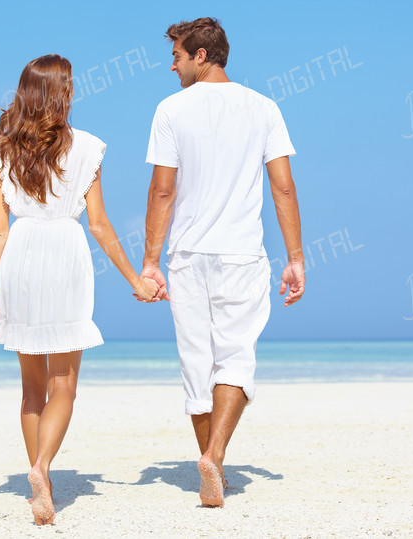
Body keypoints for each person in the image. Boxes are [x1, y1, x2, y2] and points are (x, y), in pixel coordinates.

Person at [0, 54, 159, 525]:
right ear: (62, 93)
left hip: (20, 256)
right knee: (65, 386)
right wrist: (136, 280)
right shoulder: (89, 148)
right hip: (65, 258)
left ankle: (41, 478)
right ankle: (42, 467)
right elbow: (99, 225)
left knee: (31, 388)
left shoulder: (2, 151)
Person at [138, 18, 305, 507]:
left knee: (196, 363)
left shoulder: (170, 110)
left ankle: (212, 462)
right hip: (241, 255)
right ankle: (215, 455)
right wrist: (295, 258)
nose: (172, 65)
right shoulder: (264, 108)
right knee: (235, 357)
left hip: (188, 255)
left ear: (202, 56)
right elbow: (284, 187)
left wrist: (150, 262)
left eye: (177, 56)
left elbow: (162, 190)